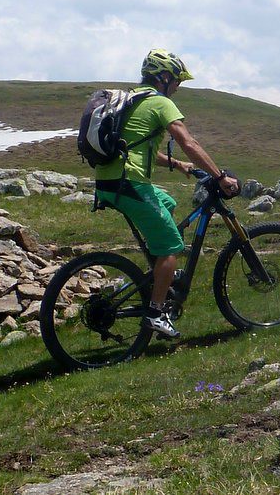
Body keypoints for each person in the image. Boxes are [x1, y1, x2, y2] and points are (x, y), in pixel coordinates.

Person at [93, 49, 240, 338]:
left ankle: (160, 273)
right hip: (129, 182)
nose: (177, 88)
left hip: (110, 181)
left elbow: (137, 146)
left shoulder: (134, 100)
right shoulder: (160, 102)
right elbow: (189, 142)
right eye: (176, 82)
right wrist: (219, 176)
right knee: (173, 247)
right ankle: (156, 313)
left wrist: (177, 164)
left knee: (168, 202)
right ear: (163, 78)